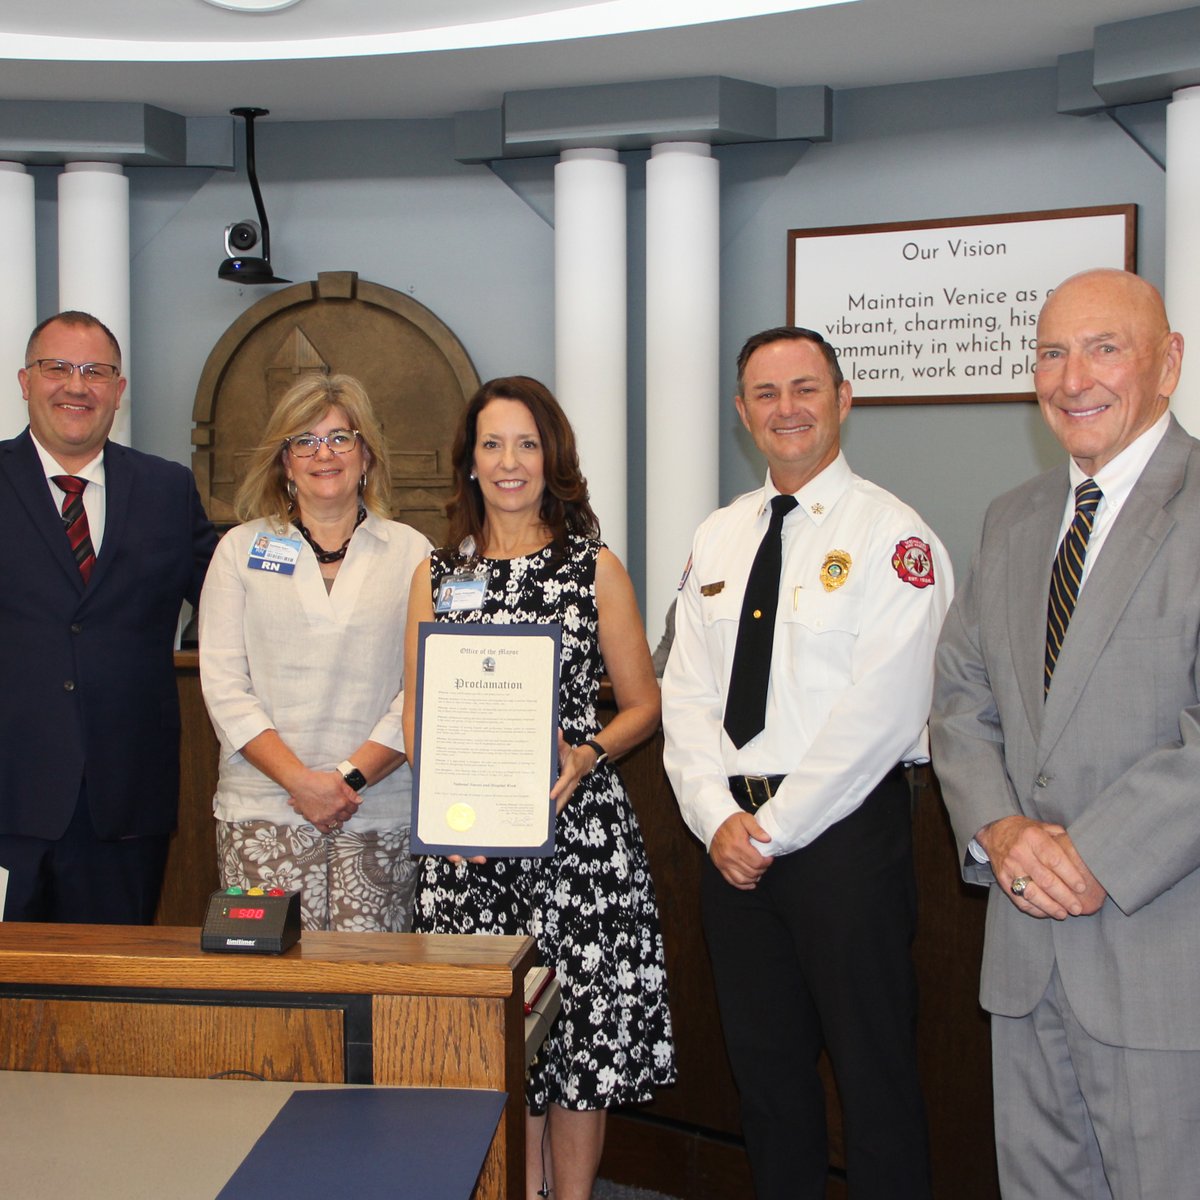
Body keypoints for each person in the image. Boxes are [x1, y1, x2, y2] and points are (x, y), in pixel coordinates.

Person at [662, 327, 951, 1199]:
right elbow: (686, 697)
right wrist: (719, 821)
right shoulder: (717, 537)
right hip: (732, 846)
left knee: (876, 1081)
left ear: (843, 398)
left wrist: (774, 830)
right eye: (764, 393)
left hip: (841, 843)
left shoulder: (893, 537)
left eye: (805, 388)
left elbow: (885, 710)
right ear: (742, 413)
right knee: (767, 1078)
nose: (785, 408)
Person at [931, 268, 1200, 1199]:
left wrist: (1093, 855)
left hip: (1160, 958)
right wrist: (1002, 831)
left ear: (1168, 363)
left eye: (1103, 347)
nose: (1072, 375)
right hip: (1023, 956)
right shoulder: (1013, 519)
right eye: (1051, 352)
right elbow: (961, 697)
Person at [403, 376, 675, 1200]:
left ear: (551, 457)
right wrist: (455, 808)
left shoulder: (593, 567)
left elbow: (644, 706)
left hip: (577, 849)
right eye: (492, 444)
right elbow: (418, 719)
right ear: (470, 461)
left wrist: (588, 753)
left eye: (526, 443)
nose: (509, 461)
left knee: (578, 1051)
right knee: (498, 1051)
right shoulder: (436, 572)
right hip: (468, 853)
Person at [0, 310, 217, 923]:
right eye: (57, 368)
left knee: (112, 1007)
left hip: (123, 812)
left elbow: (232, 603)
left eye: (96, 371)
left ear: (119, 391)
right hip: (7, 805)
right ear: (24, 380)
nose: (77, 385)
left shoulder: (165, 489)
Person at [200, 374, 430, 932]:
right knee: (271, 998)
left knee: (372, 996)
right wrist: (301, 782)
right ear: (284, 461)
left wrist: (347, 779)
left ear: (366, 453)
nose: (322, 453)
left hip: (380, 816)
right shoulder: (240, 549)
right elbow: (225, 686)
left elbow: (421, 689)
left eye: (340, 437)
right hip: (263, 813)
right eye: (304, 440)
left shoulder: (411, 552)